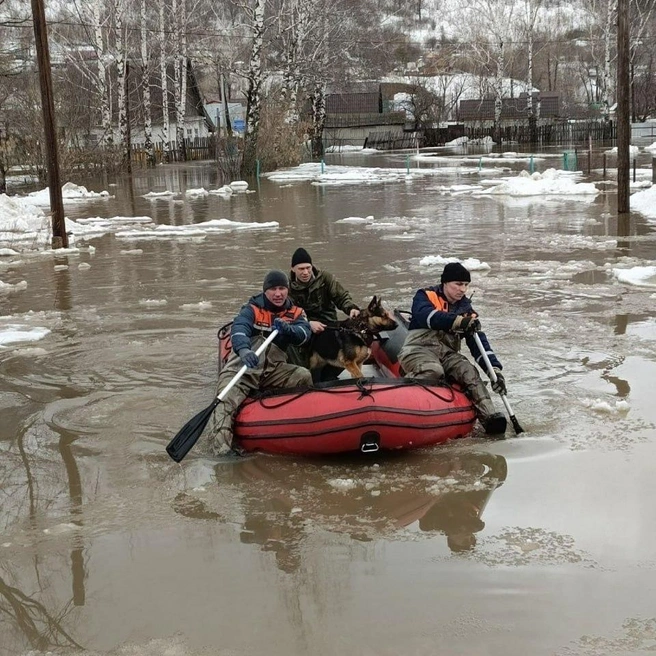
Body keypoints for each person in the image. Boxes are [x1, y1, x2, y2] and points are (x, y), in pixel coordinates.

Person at [210, 269, 313, 455]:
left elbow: (304, 334)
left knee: (303, 375)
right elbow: (240, 328)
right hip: (243, 370)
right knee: (224, 401)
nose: (278, 293)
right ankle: (222, 451)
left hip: (274, 370)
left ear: (288, 290)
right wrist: (243, 349)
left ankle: (301, 429)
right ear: (265, 291)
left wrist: (289, 330)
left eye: (282, 288)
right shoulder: (251, 309)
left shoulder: (296, 313)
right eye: (273, 289)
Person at [398, 261, 508, 435]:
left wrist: (494, 370)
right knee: (432, 370)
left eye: (466, 285)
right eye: (458, 284)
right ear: (445, 283)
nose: (463, 289)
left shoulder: (466, 309)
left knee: (468, 371)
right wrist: (457, 322)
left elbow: (478, 343)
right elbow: (428, 316)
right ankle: (406, 400)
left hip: (447, 353)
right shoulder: (425, 296)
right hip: (418, 349)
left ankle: (490, 418)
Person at [288, 247, 361, 381]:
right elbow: (288, 313)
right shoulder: (287, 287)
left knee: (345, 342)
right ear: (293, 269)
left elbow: (341, 296)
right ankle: (309, 377)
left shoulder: (325, 278)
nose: (305, 272)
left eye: (308, 268)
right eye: (301, 269)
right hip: (304, 325)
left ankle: (330, 375)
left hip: (329, 324)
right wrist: (307, 324)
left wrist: (351, 308)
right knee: (294, 344)